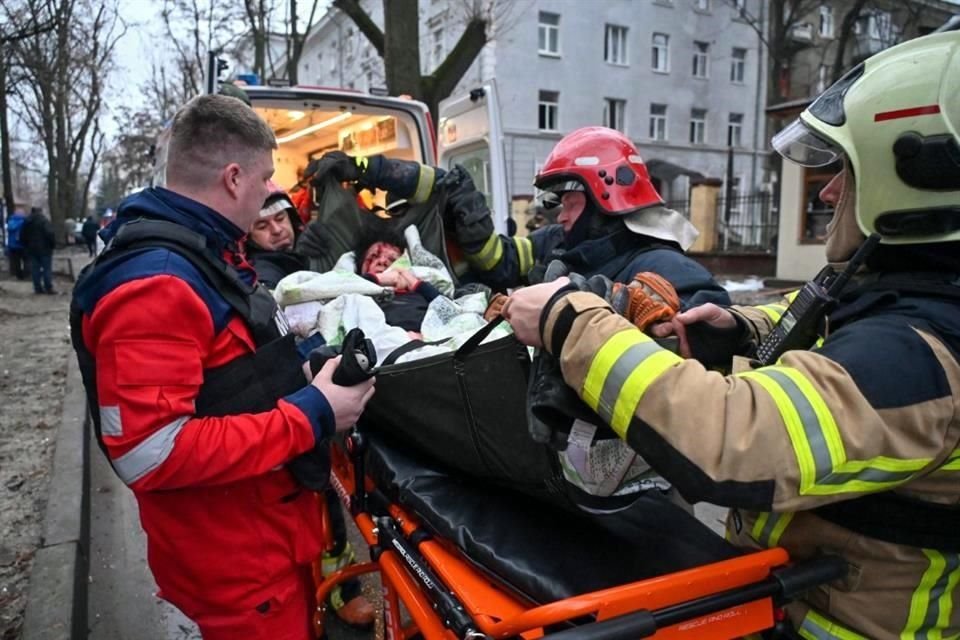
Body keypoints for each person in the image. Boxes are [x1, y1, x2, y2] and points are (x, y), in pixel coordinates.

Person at [502, 29, 960, 639]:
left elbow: (730, 439)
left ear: (910, 179)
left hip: (833, 622)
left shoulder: (922, 356)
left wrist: (569, 321)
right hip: (783, 590)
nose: (825, 191)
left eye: (843, 171)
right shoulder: (893, 292)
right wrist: (736, 329)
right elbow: (805, 315)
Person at [70, 94, 376, 640]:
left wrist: (305, 375)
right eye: (264, 180)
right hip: (237, 564)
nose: (268, 195)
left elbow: (227, 371)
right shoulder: (159, 282)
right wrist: (313, 414)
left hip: (261, 538)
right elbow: (150, 452)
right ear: (234, 178)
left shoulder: (203, 255)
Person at [314, 131, 729, 308]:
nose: (559, 215)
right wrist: (369, 170)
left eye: (568, 202)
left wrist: (592, 301)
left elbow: (714, 313)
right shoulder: (559, 242)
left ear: (605, 197)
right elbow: (501, 261)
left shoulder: (656, 263)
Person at [244, 184, 377, 630]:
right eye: (262, 225)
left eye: (281, 219)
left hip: (311, 392)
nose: (276, 230)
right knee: (321, 500)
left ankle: (331, 583)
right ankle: (339, 588)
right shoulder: (259, 277)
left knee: (325, 499)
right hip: (300, 400)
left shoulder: (295, 260)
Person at [354, 221, 442, 334]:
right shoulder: (356, 299)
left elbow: (451, 312)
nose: (382, 261)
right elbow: (337, 287)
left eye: (392, 260)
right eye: (374, 256)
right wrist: (378, 279)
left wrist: (415, 283)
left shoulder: (422, 294)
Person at [19, 206, 56, 294]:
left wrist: (26, 246)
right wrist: (52, 245)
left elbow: (22, 236)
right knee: (47, 269)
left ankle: (37, 288)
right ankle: (48, 287)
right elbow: (50, 234)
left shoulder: (26, 222)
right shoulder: (44, 221)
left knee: (35, 269)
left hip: (31, 249)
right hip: (45, 249)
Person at [5, 207, 27, 279]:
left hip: (15, 245)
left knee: (17, 262)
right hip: (20, 245)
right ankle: (22, 275)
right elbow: (11, 228)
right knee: (23, 261)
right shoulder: (22, 221)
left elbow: (10, 228)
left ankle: (20, 275)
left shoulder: (12, 221)